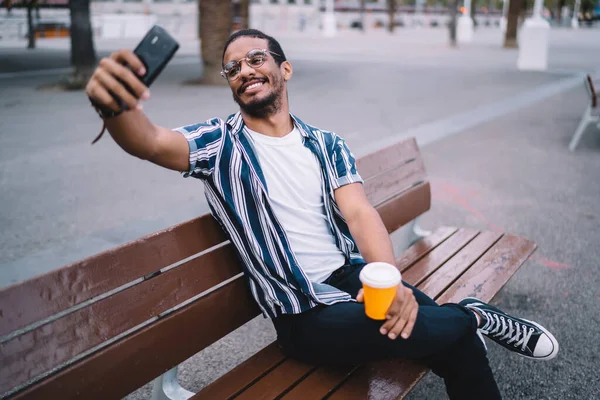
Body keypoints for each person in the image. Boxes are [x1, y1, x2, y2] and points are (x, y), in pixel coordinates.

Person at [85, 29, 559, 399]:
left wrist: (388, 281)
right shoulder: (220, 144)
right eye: (233, 68)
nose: (244, 71)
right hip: (304, 314)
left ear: (284, 69)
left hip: (349, 276)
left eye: (256, 60)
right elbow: (149, 142)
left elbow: (360, 213)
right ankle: (473, 315)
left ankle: (466, 322)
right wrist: (114, 106)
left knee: (451, 341)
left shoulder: (324, 143)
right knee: (438, 328)